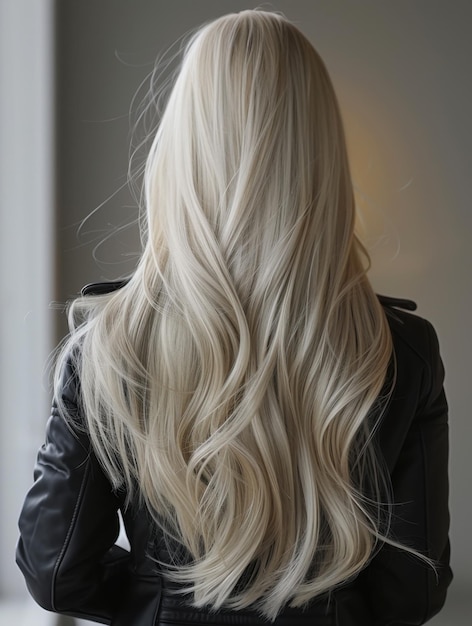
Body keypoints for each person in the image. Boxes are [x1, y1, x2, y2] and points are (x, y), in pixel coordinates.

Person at [16, 9, 452, 626]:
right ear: (321, 152)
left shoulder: (110, 344)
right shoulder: (400, 350)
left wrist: (159, 598)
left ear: (184, 149)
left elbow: (56, 571)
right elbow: (414, 590)